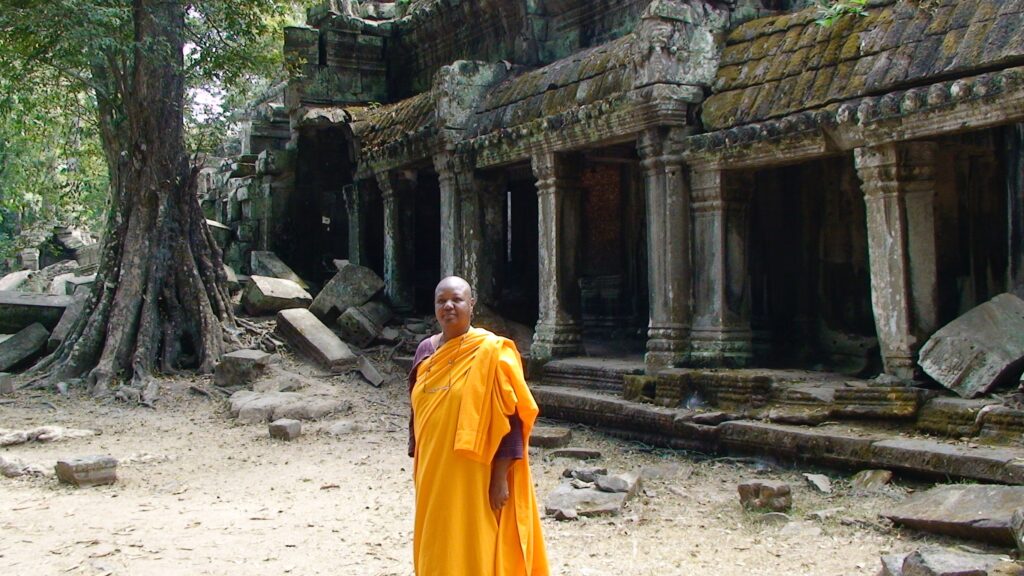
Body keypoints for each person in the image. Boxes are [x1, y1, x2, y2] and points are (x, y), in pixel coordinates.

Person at [408, 276, 549, 576]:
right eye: (441, 301)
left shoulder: (492, 352)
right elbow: (416, 410)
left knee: (473, 538)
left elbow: (512, 419)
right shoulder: (425, 351)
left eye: (456, 299)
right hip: (433, 467)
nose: (449, 306)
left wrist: (500, 478)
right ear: (434, 307)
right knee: (435, 536)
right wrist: (417, 455)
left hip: (476, 470)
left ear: (471, 304)